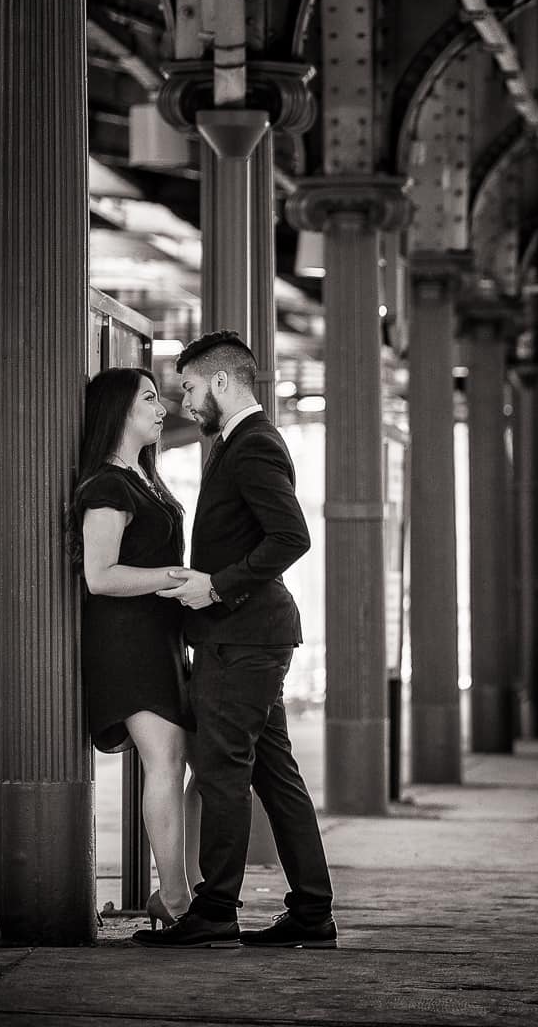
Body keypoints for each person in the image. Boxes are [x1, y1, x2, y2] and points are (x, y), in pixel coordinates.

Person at [135, 330, 336, 949]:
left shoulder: (251, 445)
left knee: (224, 773)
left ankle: (216, 909)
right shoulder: (241, 440)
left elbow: (290, 537)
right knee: (275, 777)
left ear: (223, 382)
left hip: (242, 638)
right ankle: (311, 912)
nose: (186, 402)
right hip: (250, 637)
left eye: (191, 388)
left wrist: (217, 588)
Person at [75, 367, 193, 929]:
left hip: (158, 639)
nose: (161, 407)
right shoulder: (107, 485)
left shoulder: (142, 478)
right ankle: (175, 903)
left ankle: (172, 893)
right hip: (128, 644)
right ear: (119, 410)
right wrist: (172, 576)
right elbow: (99, 575)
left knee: (179, 762)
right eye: (149, 398)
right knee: (166, 763)